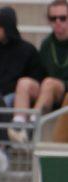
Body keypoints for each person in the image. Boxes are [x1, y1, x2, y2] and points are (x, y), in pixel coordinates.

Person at [12, 0, 68, 137]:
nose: (58, 22)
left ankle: (32, 125)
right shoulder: (47, 44)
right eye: (53, 18)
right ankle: (18, 126)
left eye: (63, 18)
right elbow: (39, 72)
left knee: (49, 83)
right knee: (24, 83)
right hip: (47, 89)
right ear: (48, 21)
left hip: (64, 91)